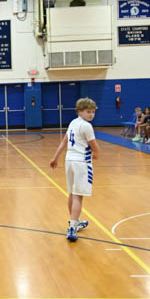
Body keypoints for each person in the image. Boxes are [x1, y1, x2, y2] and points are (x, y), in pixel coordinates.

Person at [49, 97, 100, 242]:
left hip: (69, 161)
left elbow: (64, 142)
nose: (91, 114)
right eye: (88, 111)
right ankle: (72, 226)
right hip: (81, 162)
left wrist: (55, 157)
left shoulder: (73, 122)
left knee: (72, 193)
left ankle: (75, 221)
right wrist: (97, 154)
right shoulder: (86, 126)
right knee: (78, 195)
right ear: (79, 111)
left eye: (93, 112)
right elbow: (94, 145)